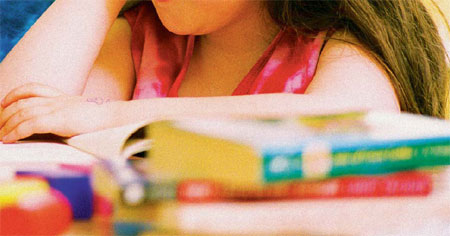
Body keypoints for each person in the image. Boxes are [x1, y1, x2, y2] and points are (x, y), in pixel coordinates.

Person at [0, 0, 448, 143]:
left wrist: (103, 117)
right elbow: (22, 122)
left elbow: (351, 117)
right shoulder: (141, 40)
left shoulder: (340, 40)